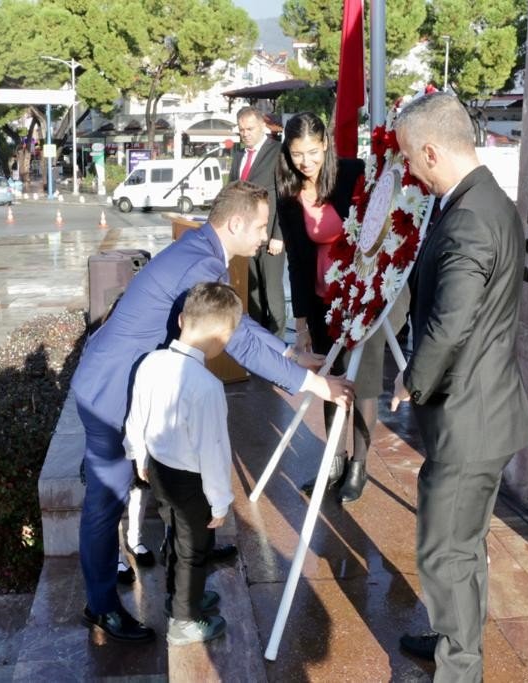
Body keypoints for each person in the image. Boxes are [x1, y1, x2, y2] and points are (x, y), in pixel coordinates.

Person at [70, 181, 354, 643]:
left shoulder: (202, 251)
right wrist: (315, 384)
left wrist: (286, 354)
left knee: (162, 480)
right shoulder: (201, 260)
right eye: (261, 227)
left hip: (127, 382)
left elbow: (233, 324)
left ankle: (185, 575)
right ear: (235, 222)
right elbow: (236, 339)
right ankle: (100, 606)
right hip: (109, 393)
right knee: (106, 503)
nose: (265, 237)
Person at [390, 93, 528, 681]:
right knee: (463, 547)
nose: (407, 171)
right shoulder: (480, 200)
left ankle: (459, 669)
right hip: (483, 410)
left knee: (445, 552)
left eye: (408, 158)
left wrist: (410, 380)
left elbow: (451, 321)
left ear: (430, 149)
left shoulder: (471, 216)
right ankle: (455, 640)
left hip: (469, 418)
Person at [276, 112, 406, 503]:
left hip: (363, 297)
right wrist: (300, 326)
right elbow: (296, 261)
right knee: (330, 384)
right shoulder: (287, 191)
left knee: (363, 384)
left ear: (326, 145)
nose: (306, 162)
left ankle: (359, 467)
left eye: (313, 151)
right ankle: (333, 461)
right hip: (322, 301)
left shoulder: (353, 174)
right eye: (298, 153)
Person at [125, 282, 242, 645]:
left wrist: (139, 456)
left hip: (158, 470)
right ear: (222, 338)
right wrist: (220, 501)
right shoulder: (207, 385)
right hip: (192, 482)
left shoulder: (151, 362)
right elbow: (214, 450)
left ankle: (180, 596)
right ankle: (183, 620)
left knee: (177, 536)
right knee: (195, 550)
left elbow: (137, 416)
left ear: (181, 320)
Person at [229, 106, 284, 336]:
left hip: (270, 235)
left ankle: (279, 343)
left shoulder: (278, 152)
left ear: (263, 125)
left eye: (250, 128)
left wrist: (279, 236)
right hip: (245, 237)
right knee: (253, 294)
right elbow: (232, 192)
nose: (245, 134)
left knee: (272, 292)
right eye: (241, 130)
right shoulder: (238, 155)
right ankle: (259, 341)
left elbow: (284, 194)